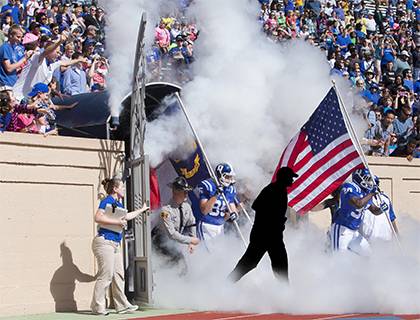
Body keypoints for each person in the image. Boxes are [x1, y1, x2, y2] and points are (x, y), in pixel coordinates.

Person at [228, 166, 298, 283]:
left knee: (280, 263)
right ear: (283, 178)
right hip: (264, 234)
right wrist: (272, 218)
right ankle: (227, 283)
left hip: (272, 235)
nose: (292, 180)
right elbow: (256, 205)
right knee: (250, 262)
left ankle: (285, 292)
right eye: (290, 177)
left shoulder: (280, 190)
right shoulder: (272, 189)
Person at [90, 177, 149, 316]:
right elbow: (98, 218)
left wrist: (142, 209)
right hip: (104, 242)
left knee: (118, 275)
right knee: (106, 275)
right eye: (121, 187)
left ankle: (122, 305)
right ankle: (97, 307)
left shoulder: (118, 204)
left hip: (114, 244)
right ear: (115, 189)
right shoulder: (107, 201)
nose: (123, 189)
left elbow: (126, 216)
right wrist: (116, 222)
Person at [330, 168, 385, 255]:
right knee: (338, 259)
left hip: (354, 232)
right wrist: (372, 193)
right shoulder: (349, 187)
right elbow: (358, 203)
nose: (369, 183)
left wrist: (382, 208)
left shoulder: (365, 193)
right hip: (342, 230)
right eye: (367, 179)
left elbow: (374, 210)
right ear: (359, 177)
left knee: (368, 254)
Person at [152, 176, 199, 274]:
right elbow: (172, 234)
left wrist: (192, 240)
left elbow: (191, 223)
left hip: (173, 242)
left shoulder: (187, 207)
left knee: (179, 266)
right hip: (160, 242)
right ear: (175, 192)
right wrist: (191, 240)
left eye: (186, 191)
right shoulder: (165, 211)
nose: (186, 194)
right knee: (175, 265)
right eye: (184, 191)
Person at [196, 163, 239, 245]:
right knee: (208, 254)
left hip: (220, 226)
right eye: (227, 177)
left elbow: (232, 209)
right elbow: (204, 210)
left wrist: (234, 215)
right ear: (220, 175)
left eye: (231, 177)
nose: (229, 179)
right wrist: (216, 194)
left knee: (219, 254)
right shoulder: (208, 185)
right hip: (206, 225)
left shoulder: (230, 189)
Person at [360, 176, 398, 243]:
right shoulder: (362, 198)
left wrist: (397, 235)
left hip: (386, 240)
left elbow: (392, 219)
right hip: (368, 240)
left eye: (374, 182)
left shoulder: (385, 199)